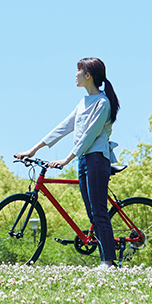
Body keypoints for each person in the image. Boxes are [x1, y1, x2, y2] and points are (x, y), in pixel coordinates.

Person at [15, 57, 120, 269]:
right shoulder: (83, 102)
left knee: (99, 211)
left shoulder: (102, 103)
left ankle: (108, 261)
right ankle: (106, 258)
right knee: (92, 213)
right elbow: (63, 127)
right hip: (83, 160)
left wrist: (66, 158)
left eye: (78, 71)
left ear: (88, 76)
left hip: (97, 159)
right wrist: (33, 149)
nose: (75, 74)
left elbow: (89, 136)